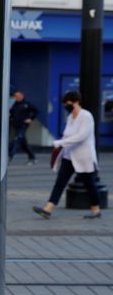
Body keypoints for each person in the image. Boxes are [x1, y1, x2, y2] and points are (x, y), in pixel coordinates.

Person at [33, 91, 101, 220]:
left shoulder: (86, 116)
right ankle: (48, 209)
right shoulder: (70, 117)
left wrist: (60, 143)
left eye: (67, 102)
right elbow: (67, 134)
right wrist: (61, 146)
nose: (65, 105)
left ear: (75, 101)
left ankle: (96, 209)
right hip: (69, 156)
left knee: (89, 184)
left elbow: (81, 136)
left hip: (83, 157)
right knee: (60, 183)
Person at [8, 91, 39, 164]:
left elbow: (36, 111)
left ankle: (9, 155)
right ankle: (32, 157)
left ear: (22, 96)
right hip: (16, 125)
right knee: (23, 142)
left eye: (18, 96)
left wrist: (30, 119)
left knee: (17, 138)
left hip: (23, 125)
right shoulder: (14, 105)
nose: (16, 98)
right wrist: (11, 118)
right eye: (15, 96)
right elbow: (11, 114)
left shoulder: (26, 104)